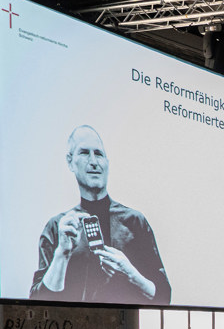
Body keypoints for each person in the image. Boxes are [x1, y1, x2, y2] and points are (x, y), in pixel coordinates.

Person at [32, 125, 171, 305]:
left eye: (98, 154)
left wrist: (131, 273)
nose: (93, 162)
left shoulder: (135, 221)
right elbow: (37, 301)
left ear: (107, 162)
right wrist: (62, 254)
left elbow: (164, 296)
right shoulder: (58, 227)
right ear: (70, 161)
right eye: (84, 153)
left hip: (127, 328)